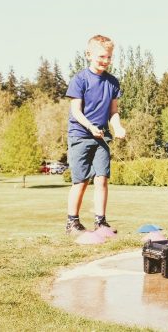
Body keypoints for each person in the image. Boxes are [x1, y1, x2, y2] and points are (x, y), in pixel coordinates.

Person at [65, 35, 126, 234]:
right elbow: (76, 111)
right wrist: (90, 127)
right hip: (80, 135)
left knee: (102, 179)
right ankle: (72, 222)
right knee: (81, 180)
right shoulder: (80, 79)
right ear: (89, 55)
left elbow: (113, 112)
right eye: (102, 57)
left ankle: (101, 222)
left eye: (109, 57)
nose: (106, 61)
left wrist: (117, 127)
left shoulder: (113, 82)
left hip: (102, 138)